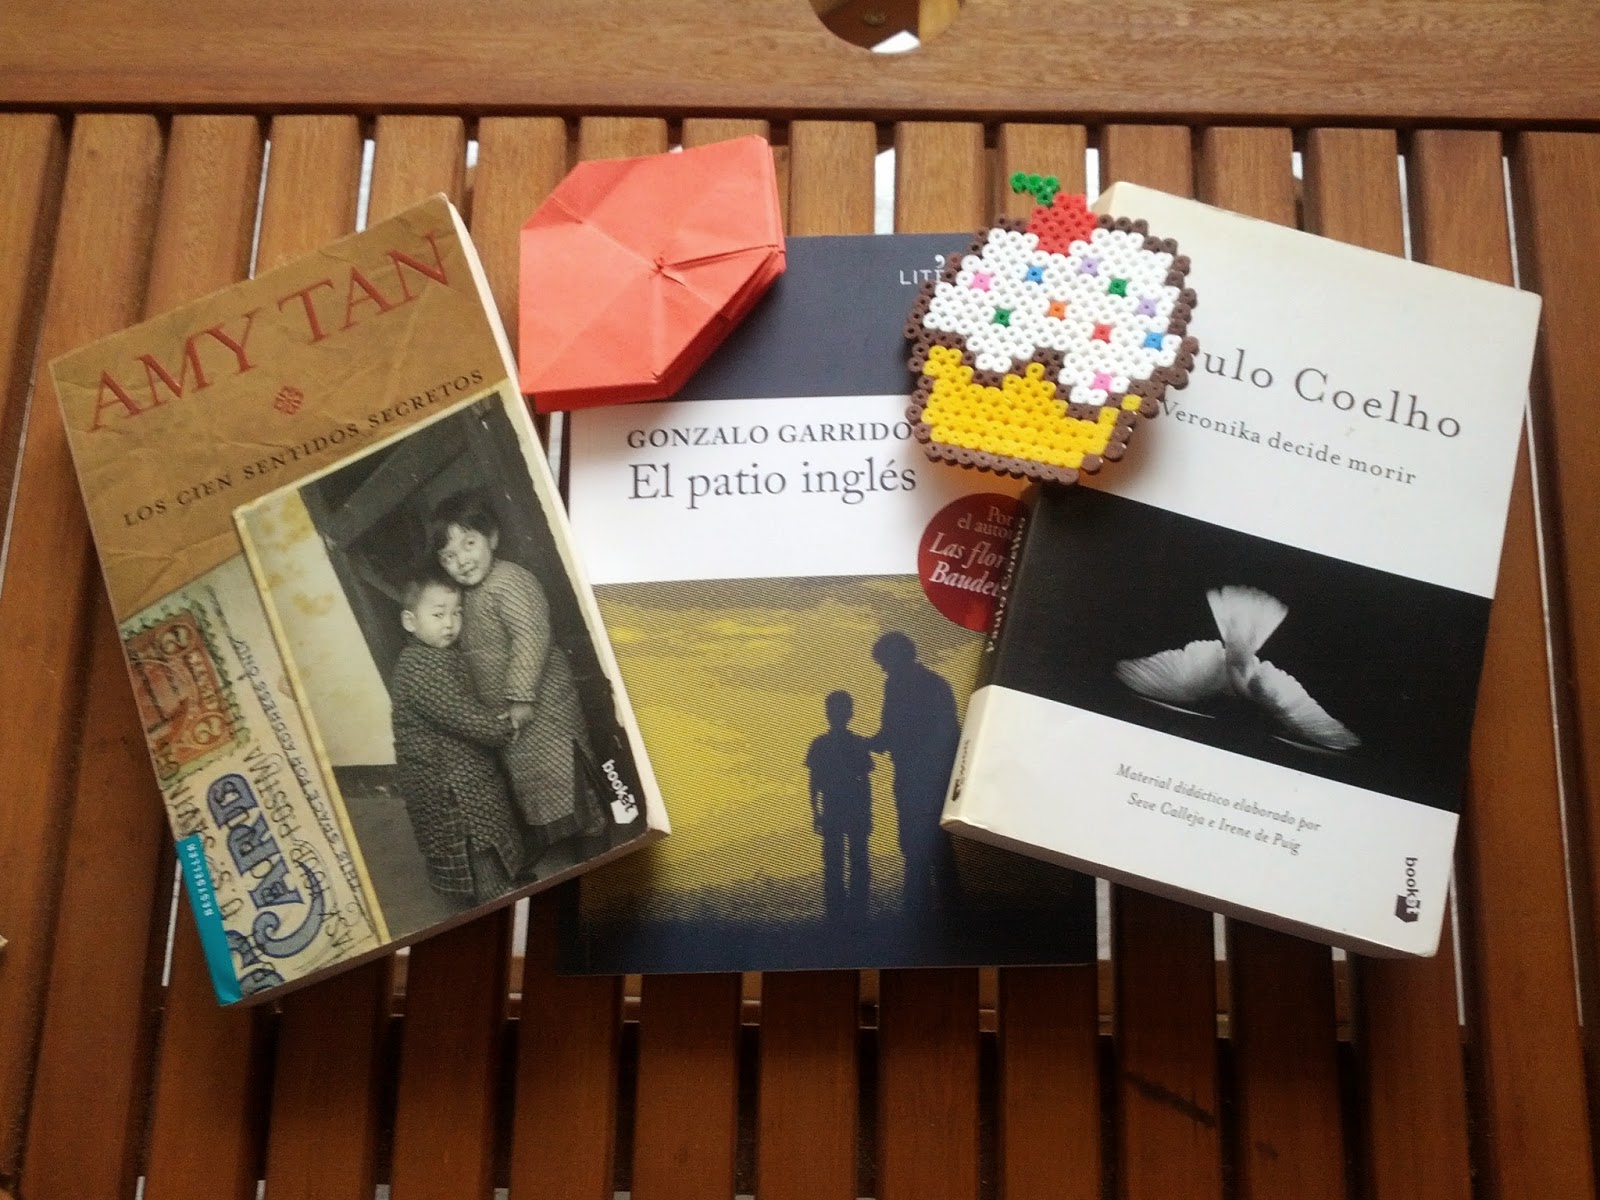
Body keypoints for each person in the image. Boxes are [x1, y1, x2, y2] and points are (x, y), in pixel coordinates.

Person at [429, 491, 606, 874]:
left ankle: (594, 840)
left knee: (566, 770)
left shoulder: (510, 581)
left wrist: (522, 695)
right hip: (508, 712)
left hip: (545, 704)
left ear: (491, 538)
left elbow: (531, 636)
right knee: (533, 780)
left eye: (469, 544)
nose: (461, 561)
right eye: (448, 556)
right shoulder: (466, 597)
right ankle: (557, 836)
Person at [389, 568, 523, 906]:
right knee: (473, 837)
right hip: (442, 779)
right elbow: (460, 713)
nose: (449, 623)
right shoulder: (418, 668)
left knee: (489, 826)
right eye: (438, 614)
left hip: (458, 766)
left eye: (457, 613)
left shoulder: (435, 656)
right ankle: (494, 897)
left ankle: (503, 880)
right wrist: (502, 727)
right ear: (410, 621)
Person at [868, 631, 962, 911]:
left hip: (916, 775)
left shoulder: (900, 686)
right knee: (935, 842)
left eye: (884, 662)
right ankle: (947, 905)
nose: (883, 669)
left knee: (915, 842)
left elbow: (891, 732)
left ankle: (919, 906)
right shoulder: (935, 683)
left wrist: (867, 744)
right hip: (932, 774)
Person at [804, 690, 874, 920]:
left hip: (841, 809)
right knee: (848, 862)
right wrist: (816, 811)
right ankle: (851, 913)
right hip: (843, 810)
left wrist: (816, 811)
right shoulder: (852, 744)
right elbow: (815, 782)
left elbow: (815, 782)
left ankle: (844, 913)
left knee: (844, 862)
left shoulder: (823, 744)